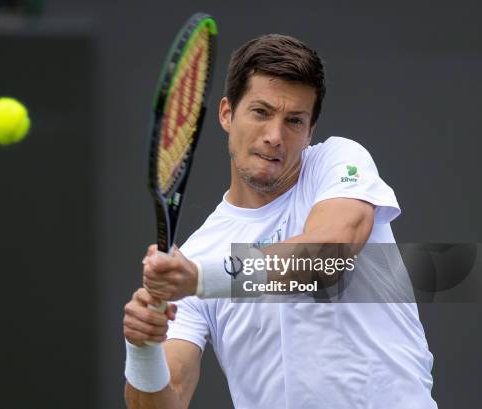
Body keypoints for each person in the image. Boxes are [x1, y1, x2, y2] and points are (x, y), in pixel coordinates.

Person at [123, 34, 437, 409]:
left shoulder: (337, 163)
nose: (274, 136)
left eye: (293, 121)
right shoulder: (198, 254)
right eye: (260, 112)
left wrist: (201, 278)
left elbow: (328, 255)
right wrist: (142, 348)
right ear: (227, 113)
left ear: (310, 131)